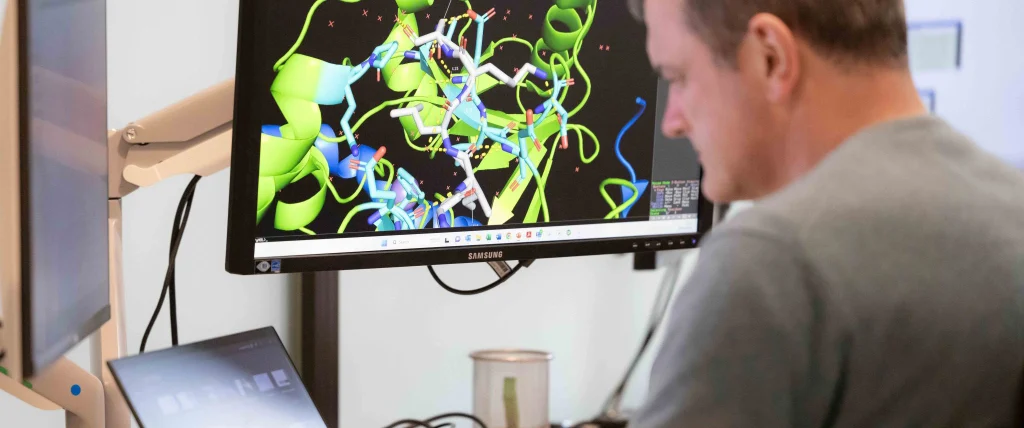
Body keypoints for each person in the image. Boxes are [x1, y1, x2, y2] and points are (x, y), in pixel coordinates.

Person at [627, 0, 1024, 426]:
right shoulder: (1012, 207)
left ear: (771, 57)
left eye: (678, 78)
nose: (672, 121)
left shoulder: (773, 260)